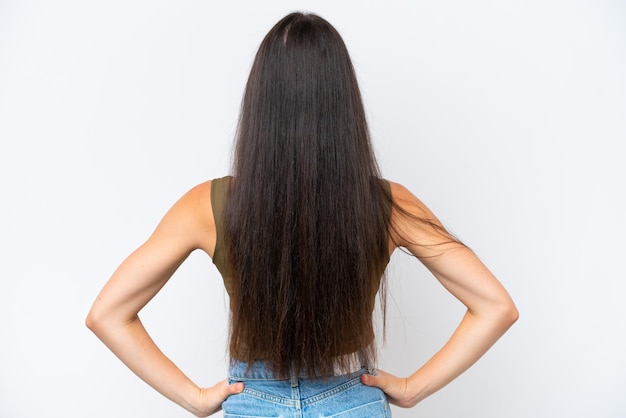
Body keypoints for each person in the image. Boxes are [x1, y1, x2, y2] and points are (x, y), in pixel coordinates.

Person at [86, 12, 518, 417]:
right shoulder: (390, 205)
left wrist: (196, 400)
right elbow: (495, 306)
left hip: (254, 402)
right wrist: (412, 388)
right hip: (353, 400)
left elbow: (107, 313)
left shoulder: (207, 204)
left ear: (260, 104)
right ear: (343, 105)